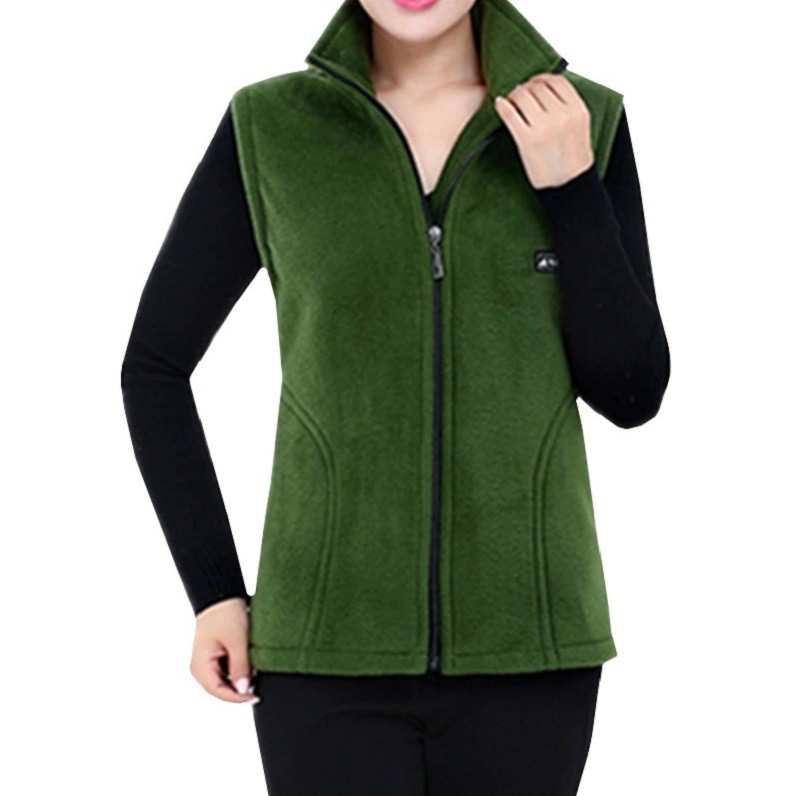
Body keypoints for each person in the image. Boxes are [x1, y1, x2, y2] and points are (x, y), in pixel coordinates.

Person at [120, 0, 670, 792]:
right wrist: (214, 593)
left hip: (532, 652)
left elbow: (632, 392)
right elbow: (155, 366)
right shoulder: (271, 127)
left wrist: (572, 188)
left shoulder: (583, 122)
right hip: (322, 654)